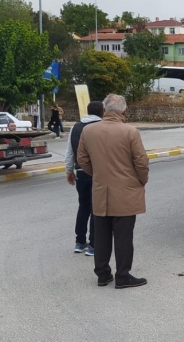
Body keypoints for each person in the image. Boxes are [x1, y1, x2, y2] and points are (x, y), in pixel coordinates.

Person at [78, 94, 149, 289]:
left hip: (101, 191)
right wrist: (140, 181)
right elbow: (141, 162)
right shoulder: (130, 132)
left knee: (101, 235)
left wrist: (98, 174)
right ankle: (123, 275)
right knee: (123, 237)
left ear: (104, 110)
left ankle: (102, 274)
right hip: (126, 192)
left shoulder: (88, 131)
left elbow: (82, 159)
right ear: (124, 111)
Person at [64, 101, 104, 256]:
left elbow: (69, 152)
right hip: (99, 174)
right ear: (102, 111)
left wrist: (69, 170)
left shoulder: (76, 127)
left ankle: (80, 242)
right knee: (96, 209)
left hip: (81, 172)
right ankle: (93, 245)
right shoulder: (103, 127)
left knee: (83, 206)